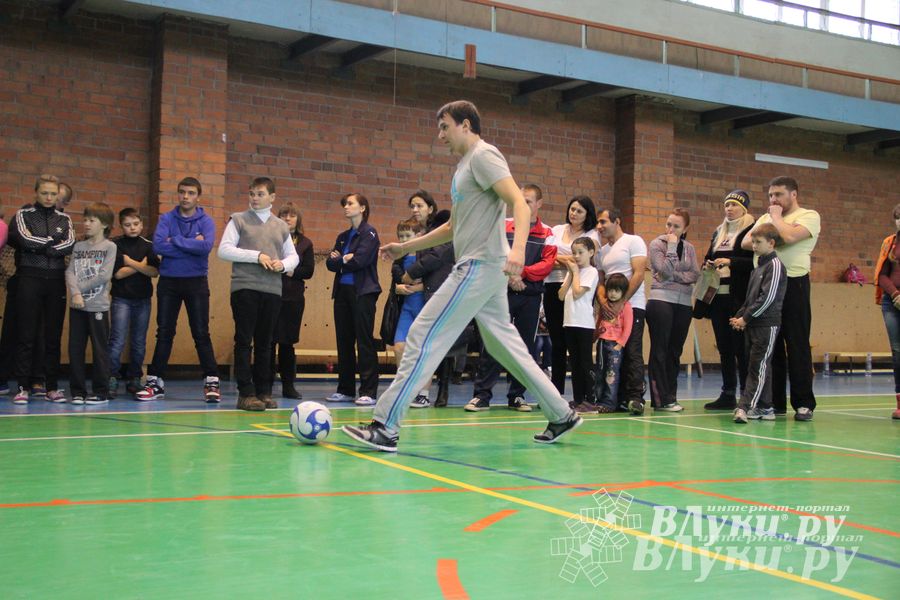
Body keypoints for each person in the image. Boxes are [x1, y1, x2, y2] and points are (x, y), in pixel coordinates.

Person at [342, 100, 582, 451]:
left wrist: (516, 251)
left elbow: (518, 201)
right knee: (507, 347)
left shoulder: (485, 156)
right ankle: (561, 413)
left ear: (466, 125)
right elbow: (454, 227)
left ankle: (385, 425)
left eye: (445, 127)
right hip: (483, 267)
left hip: (480, 265)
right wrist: (405, 249)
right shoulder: (463, 168)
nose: (440, 135)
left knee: (422, 335)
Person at [465, 183, 557, 413]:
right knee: (493, 342)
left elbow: (546, 265)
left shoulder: (548, 233)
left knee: (525, 347)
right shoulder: (503, 225)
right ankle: (482, 395)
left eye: (528, 201)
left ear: (538, 204)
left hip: (530, 296)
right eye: (520, 200)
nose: (522, 205)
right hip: (501, 291)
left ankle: (517, 396)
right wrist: (510, 275)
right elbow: (493, 253)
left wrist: (521, 273)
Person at [741, 176, 820, 421]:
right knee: (768, 345)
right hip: (765, 285)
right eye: (771, 195)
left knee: (796, 343)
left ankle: (804, 403)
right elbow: (745, 242)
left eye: (778, 195)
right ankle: (772, 403)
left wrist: (775, 221)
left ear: (793, 194)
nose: (773, 200)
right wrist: (774, 234)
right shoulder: (763, 219)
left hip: (794, 283)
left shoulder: (808, 216)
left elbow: (791, 237)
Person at [218, 177, 299, 411]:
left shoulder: (281, 226)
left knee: (266, 343)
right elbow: (224, 250)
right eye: (252, 193)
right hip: (245, 288)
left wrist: (282, 265)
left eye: (260, 194)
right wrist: (257, 256)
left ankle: (264, 392)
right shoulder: (238, 220)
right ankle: (246, 393)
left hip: (272, 290)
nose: (255, 198)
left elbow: (293, 257)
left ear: (272, 198)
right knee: (244, 341)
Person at [137, 177, 220, 402]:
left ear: (198, 196)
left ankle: (211, 380)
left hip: (196, 282)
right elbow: (158, 245)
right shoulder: (167, 218)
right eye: (182, 192)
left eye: (191, 193)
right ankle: (155, 381)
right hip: (169, 282)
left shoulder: (206, 221)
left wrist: (176, 241)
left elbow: (205, 248)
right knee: (164, 332)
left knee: (201, 332)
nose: (186, 196)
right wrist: (191, 242)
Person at [8, 174, 75, 405]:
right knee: (26, 334)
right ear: (36, 193)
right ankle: (23, 387)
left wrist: (43, 245)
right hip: (29, 278)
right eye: (44, 193)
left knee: (52, 336)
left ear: (58, 195)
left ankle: (52, 387)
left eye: (53, 194)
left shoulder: (64, 219)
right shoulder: (23, 215)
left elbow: (68, 245)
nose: (48, 197)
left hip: (55, 281)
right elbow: (25, 240)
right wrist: (49, 243)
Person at [325, 193, 382, 406]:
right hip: (342, 293)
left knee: (364, 341)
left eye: (350, 204)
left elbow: (361, 260)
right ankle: (346, 389)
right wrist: (343, 259)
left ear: (362, 208)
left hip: (363, 293)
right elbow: (329, 264)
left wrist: (341, 259)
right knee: (344, 341)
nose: (346, 207)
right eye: (345, 204)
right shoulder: (342, 236)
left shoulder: (370, 234)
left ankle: (368, 391)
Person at [701, 190, 755, 411]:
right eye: (727, 205)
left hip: (738, 298)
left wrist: (730, 261)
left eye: (734, 205)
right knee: (724, 347)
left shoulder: (751, 231)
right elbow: (708, 256)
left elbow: (753, 261)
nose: (729, 209)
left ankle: (745, 393)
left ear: (744, 208)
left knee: (740, 348)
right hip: (717, 297)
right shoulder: (718, 232)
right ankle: (727, 393)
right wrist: (707, 264)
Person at [646, 208, 700, 412]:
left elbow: (694, 274)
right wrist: (671, 246)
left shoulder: (690, 248)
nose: (671, 228)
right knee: (660, 349)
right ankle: (660, 399)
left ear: (685, 228)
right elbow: (664, 270)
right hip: (661, 301)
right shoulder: (657, 244)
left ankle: (671, 396)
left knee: (674, 351)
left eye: (676, 226)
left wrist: (674, 276)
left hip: (684, 303)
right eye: (669, 224)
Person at [731, 224, 787, 423]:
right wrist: (740, 316)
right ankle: (765, 406)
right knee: (760, 366)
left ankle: (745, 407)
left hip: (767, 324)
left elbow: (768, 298)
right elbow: (750, 299)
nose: (753, 246)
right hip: (753, 325)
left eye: (758, 242)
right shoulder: (758, 268)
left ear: (771, 243)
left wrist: (747, 318)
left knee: (758, 366)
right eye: (753, 242)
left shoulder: (775, 265)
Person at [544, 196, 600, 394]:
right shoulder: (557, 230)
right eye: (572, 209)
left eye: (579, 211)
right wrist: (566, 260)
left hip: (578, 285)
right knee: (557, 342)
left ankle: (583, 394)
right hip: (553, 286)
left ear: (587, 215)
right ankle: (556, 391)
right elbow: (546, 255)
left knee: (576, 344)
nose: (573, 213)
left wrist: (558, 259)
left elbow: (582, 262)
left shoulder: (592, 234)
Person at [596, 207, 649, 415]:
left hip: (632, 306)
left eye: (603, 222)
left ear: (617, 221)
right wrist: (604, 302)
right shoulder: (602, 251)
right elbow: (601, 281)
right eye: (598, 223)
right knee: (612, 357)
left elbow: (638, 274)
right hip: (610, 312)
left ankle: (636, 398)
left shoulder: (633, 241)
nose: (599, 227)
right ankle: (616, 399)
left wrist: (622, 302)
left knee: (632, 353)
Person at [65, 202, 117, 404]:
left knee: (99, 349)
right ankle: (78, 391)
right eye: (85, 220)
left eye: (91, 220)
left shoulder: (109, 247)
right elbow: (70, 271)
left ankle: (101, 391)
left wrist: (80, 290)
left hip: (98, 307)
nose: (86, 224)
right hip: (77, 307)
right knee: (75, 349)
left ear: (104, 224)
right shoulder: (79, 246)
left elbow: (104, 276)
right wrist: (75, 294)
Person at [404, 208, 457, 407]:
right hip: (424, 291)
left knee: (440, 343)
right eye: (412, 206)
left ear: (430, 208)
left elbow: (437, 255)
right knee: (419, 340)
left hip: (442, 289)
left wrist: (412, 272)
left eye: (419, 205)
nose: (414, 209)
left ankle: (441, 389)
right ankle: (416, 390)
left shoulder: (444, 223)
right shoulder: (420, 231)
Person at [108, 208, 159, 399]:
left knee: (139, 342)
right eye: (128, 225)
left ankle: (135, 378)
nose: (132, 228)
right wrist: (141, 265)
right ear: (121, 226)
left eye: (136, 224)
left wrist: (130, 262)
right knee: (117, 340)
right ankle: (111, 377)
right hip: (121, 299)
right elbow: (118, 274)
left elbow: (154, 272)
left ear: (142, 224)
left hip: (143, 299)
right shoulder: (116, 245)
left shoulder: (148, 245)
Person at [273, 203, 315, 400]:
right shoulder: (271, 238)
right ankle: (263, 384)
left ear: (297, 219)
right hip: (271, 295)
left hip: (293, 299)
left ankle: (288, 385)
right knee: (267, 342)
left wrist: (290, 270)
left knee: (287, 343)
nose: (288, 218)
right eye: (283, 215)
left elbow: (308, 270)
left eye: (291, 216)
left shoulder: (305, 243)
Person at [391, 218, 429, 407]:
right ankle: (404, 387)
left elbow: (434, 283)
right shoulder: (400, 259)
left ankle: (423, 392)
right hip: (407, 308)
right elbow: (396, 283)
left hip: (424, 307)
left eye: (408, 236)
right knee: (399, 347)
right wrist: (398, 288)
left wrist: (415, 288)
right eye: (401, 236)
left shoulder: (427, 256)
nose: (404, 239)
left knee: (423, 351)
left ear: (418, 236)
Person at [559, 236, 599, 413]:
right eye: (574, 252)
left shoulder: (591, 272)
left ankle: (590, 399)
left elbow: (576, 293)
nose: (576, 256)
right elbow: (561, 295)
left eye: (580, 252)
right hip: (569, 322)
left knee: (585, 362)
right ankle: (578, 398)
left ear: (591, 253)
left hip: (583, 324)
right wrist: (571, 273)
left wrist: (575, 272)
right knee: (574, 363)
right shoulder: (573, 272)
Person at [875, 203, 900, 420]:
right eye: (897, 218)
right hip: (892, 303)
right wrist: (895, 294)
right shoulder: (889, 243)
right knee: (897, 352)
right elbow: (882, 274)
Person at [593, 273, 632, 413]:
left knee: (611, 374)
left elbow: (628, 327)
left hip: (614, 345)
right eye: (610, 290)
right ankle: (599, 400)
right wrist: (596, 336)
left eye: (617, 290)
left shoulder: (625, 306)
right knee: (600, 371)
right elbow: (599, 322)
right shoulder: (606, 306)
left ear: (623, 292)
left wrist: (620, 344)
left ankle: (609, 403)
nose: (612, 294)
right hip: (602, 343)